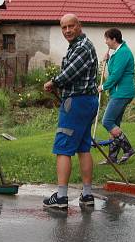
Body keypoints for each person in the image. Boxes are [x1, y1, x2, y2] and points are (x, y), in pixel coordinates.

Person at [42, 13, 99, 209]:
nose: (67, 31)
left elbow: (70, 73)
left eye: (71, 26)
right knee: (83, 148)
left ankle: (61, 197)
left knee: (63, 148)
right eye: (64, 27)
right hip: (86, 101)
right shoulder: (77, 46)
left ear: (79, 26)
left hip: (77, 102)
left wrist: (54, 82)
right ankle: (87, 194)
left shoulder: (83, 47)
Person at [98, 28, 135, 164]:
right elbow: (114, 70)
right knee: (114, 124)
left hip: (122, 93)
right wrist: (107, 61)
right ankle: (112, 158)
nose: (106, 42)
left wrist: (103, 87)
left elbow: (116, 75)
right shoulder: (118, 52)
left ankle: (128, 149)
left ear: (114, 39)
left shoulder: (123, 53)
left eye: (107, 39)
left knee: (107, 121)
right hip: (118, 92)